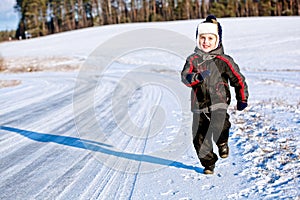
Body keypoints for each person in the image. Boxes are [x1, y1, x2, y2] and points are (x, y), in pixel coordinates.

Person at [181, 15, 249, 174]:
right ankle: (209, 163)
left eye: (210, 38)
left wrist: (242, 98)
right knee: (199, 140)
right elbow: (185, 77)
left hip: (219, 102)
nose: (206, 41)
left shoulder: (224, 60)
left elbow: (238, 79)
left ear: (217, 40)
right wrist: (197, 77)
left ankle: (222, 142)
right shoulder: (193, 60)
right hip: (198, 107)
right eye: (202, 38)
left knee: (220, 125)